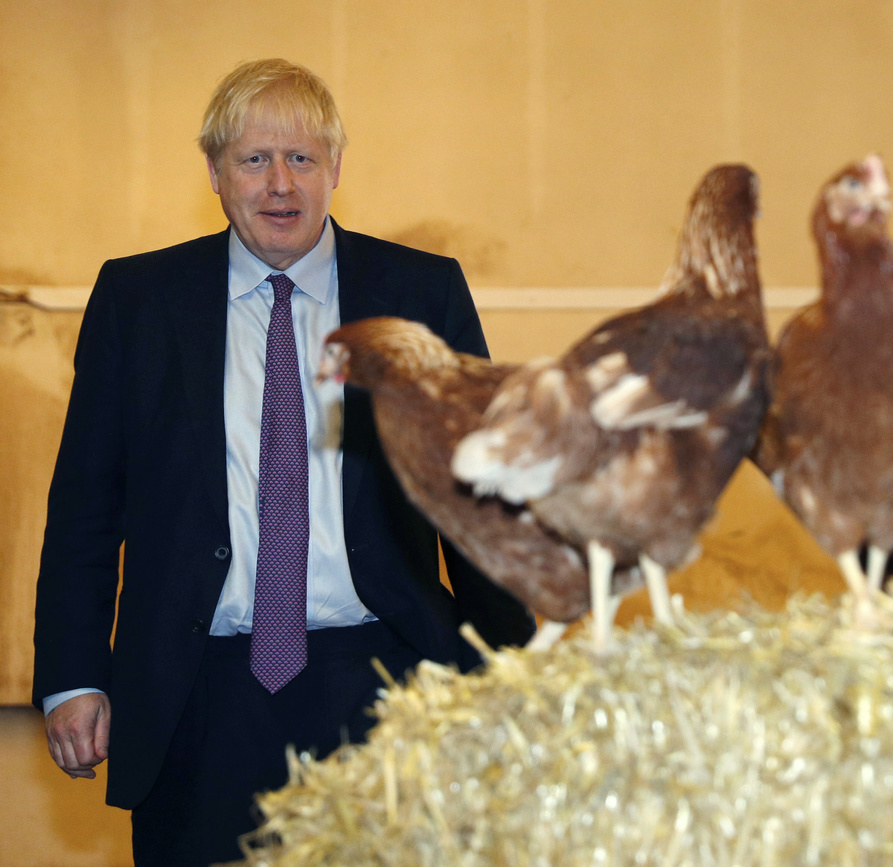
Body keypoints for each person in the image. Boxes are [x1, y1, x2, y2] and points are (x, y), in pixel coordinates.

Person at [32, 57, 537, 866]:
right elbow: (87, 505)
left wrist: (514, 667)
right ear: (214, 172)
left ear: (336, 167)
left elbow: (477, 493)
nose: (279, 185)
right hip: (196, 693)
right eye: (254, 159)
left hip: (388, 678)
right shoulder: (139, 300)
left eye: (302, 158)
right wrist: (72, 674)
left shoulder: (420, 291)